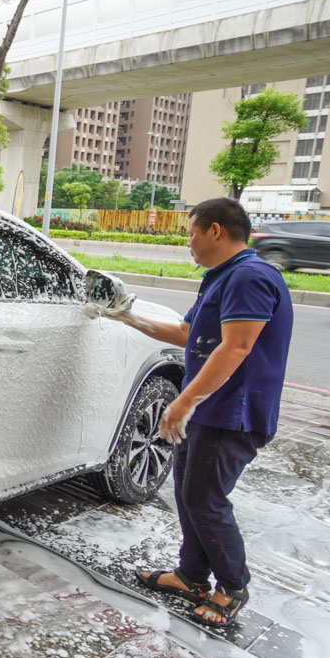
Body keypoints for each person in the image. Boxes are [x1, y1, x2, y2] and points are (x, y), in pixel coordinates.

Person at [97, 197, 293, 627]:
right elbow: (188, 334)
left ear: (216, 231)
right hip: (209, 409)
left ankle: (232, 587)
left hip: (231, 413)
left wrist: (183, 401)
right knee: (189, 494)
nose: (188, 242)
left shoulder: (251, 277)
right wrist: (127, 318)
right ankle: (190, 575)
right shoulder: (221, 277)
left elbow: (237, 346)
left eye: (191, 233)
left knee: (206, 500)